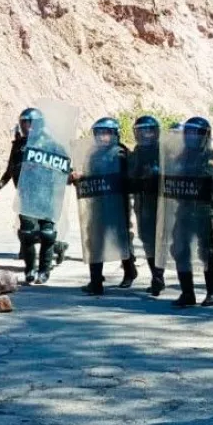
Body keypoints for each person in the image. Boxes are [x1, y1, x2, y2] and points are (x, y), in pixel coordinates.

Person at [0, 108, 68, 284]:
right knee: (26, 234)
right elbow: (11, 168)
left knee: (47, 234)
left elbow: (63, 169)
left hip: (46, 196)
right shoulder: (18, 145)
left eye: (29, 123)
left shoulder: (51, 145)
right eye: (23, 123)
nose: (26, 127)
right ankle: (30, 270)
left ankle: (44, 270)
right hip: (26, 195)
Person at [165, 117, 213, 307]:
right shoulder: (180, 157)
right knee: (180, 250)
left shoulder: (211, 156)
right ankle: (187, 293)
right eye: (188, 133)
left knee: (208, 252)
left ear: (204, 136)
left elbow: (209, 177)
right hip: (183, 209)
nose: (191, 137)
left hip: (205, 210)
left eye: (195, 133)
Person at [76, 117, 137, 295]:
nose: (103, 137)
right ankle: (95, 282)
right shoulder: (92, 155)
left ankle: (129, 271)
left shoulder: (121, 154)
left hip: (117, 204)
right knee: (95, 241)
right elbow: (88, 176)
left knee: (121, 240)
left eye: (107, 133)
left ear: (114, 134)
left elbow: (130, 178)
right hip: (97, 204)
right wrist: (78, 178)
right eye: (99, 133)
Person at [128, 116, 165, 296]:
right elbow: (129, 172)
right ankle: (156, 277)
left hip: (160, 200)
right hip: (142, 200)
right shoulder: (136, 151)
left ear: (156, 132)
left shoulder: (164, 151)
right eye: (141, 131)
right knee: (147, 238)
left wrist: (155, 173)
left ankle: (159, 276)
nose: (145, 135)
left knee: (160, 239)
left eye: (149, 130)